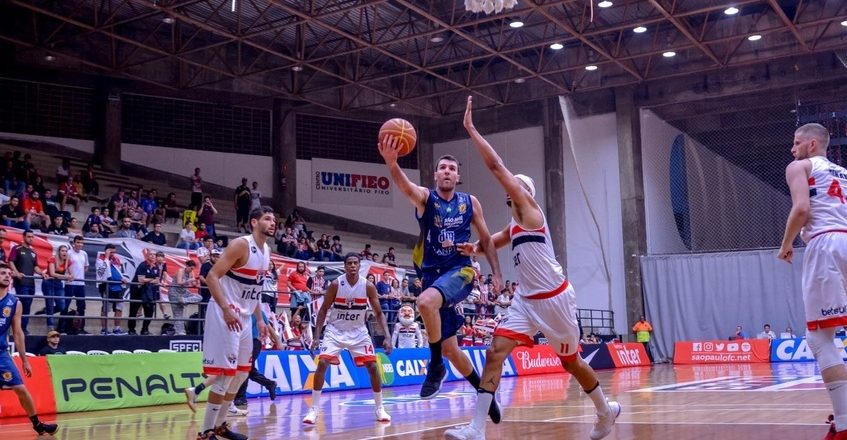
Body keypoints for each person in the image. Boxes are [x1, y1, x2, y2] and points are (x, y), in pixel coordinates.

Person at [444, 96, 620, 440]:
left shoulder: (531, 212)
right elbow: (491, 241)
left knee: (571, 364)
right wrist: (475, 248)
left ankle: (605, 410)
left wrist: (470, 128)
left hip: (554, 300)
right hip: (525, 302)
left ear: (525, 193)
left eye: (519, 185)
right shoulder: (514, 225)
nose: (513, 187)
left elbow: (495, 167)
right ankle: (476, 429)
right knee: (495, 350)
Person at [378, 123, 503, 401]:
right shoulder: (426, 198)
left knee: (423, 302)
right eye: (443, 168)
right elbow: (404, 186)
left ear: (457, 176)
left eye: (452, 169)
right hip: (433, 275)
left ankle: (434, 367)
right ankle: (485, 394)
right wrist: (392, 164)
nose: (447, 171)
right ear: (436, 174)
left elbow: (487, 239)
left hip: (461, 271)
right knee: (450, 349)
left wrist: (496, 273)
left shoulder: (470, 202)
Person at [777, 123, 847, 439]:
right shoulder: (843, 173)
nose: (792, 149)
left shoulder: (800, 166)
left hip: (826, 244)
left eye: (796, 143)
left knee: (820, 338)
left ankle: (844, 423)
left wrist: (786, 243)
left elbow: (802, 208)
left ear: (812, 144)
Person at [196, 206, 274, 440]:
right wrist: (225, 309)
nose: (273, 223)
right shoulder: (241, 245)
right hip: (225, 314)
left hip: (245, 317)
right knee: (225, 375)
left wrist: (260, 319)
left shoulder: (267, 250)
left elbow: (254, 290)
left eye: (274, 220)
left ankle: (220, 426)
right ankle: (205, 432)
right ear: (253, 222)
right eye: (267, 219)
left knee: (241, 374)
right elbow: (212, 277)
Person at [302, 253, 392, 425]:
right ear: (345, 266)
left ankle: (380, 408)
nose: (352, 266)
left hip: (358, 332)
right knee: (322, 363)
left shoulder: (368, 286)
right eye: (349, 263)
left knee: (373, 366)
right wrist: (316, 337)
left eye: (355, 263)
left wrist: (387, 336)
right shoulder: (336, 284)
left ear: (359, 266)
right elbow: (322, 310)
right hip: (335, 331)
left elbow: (379, 313)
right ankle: (313, 409)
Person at [0, 263, 59, 435]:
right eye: (2, 273)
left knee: (20, 388)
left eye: (9, 273)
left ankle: (37, 424)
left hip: (2, 354)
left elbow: (18, 333)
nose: (7, 276)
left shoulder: (14, 303)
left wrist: (25, 360)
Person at [8, 230, 46, 335]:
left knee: (27, 306)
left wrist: (42, 273)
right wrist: (17, 272)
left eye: (32, 237)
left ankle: (23, 329)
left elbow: (36, 267)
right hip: (21, 282)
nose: (31, 239)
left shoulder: (33, 252)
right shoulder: (17, 248)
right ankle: (17, 328)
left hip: (31, 283)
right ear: (24, 237)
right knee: (22, 304)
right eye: (29, 236)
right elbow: (10, 261)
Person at [96, 244, 128, 335]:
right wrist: (106, 257)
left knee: (119, 308)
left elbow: (119, 272)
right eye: (111, 252)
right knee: (106, 309)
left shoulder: (116, 259)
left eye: (114, 252)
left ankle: (117, 329)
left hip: (118, 287)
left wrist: (122, 278)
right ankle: (104, 329)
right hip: (107, 287)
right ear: (106, 251)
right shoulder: (100, 259)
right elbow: (101, 272)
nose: (112, 254)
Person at [169, 261, 202, 336]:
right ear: (186, 266)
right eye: (190, 268)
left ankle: (184, 300)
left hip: (184, 293)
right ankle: (179, 332)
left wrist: (195, 281)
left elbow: (193, 285)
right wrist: (188, 280)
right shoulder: (181, 271)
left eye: (192, 269)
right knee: (178, 313)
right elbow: (179, 282)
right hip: (174, 292)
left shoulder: (191, 273)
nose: (191, 270)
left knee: (199, 297)